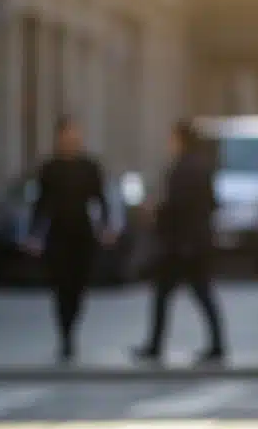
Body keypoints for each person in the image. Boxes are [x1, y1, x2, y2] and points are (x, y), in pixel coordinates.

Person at [132, 121, 226, 366]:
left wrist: (155, 214)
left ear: (180, 140)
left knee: (166, 295)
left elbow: (176, 206)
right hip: (196, 242)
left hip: (180, 245)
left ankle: (155, 346)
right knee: (201, 294)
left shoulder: (181, 168)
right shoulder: (204, 167)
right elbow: (212, 203)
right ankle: (216, 344)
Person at [27, 117, 114, 364]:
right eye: (67, 135)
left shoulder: (89, 166)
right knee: (60, 286)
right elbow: (41, 203)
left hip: (82, 233)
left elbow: (100, 198)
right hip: (57, 233)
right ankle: (65, 336)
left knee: (78, 286)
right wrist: (34, 235)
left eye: (75, 135)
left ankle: (71, 327)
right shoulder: (50, 167)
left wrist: (106, 225)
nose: (71, 139)